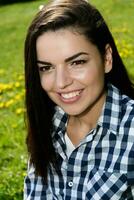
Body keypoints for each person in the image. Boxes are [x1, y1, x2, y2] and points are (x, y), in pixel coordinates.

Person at [24, 0, 134, 199]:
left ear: (107, 59)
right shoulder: (46, 125)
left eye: (77, 62)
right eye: (46, 67)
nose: (61, 83)